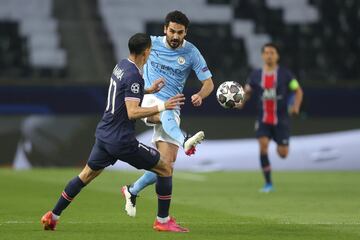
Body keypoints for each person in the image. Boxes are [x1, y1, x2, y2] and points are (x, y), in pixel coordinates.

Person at [41, 33, 190, 232]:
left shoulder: (121, 66)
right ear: (146, 52)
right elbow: (132, 112)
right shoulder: (134, 76)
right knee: (165, 168)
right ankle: (162, 221)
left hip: (104, 135)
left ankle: (53, 215)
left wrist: (148, 90)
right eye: (150, 51)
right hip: (122, 140)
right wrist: (162, 106)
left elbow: (126, 90)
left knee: (85, 175)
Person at [121, 10, 214, 218]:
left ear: (185, 33)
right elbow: (130, 60)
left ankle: (131, 190)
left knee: (166, 164)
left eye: (180, 32)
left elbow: (209, 83)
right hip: (150, 99)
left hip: (173, 106)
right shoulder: (150, 44)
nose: (175, 36)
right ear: (165, 29)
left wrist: (200, 94)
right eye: (172, 31)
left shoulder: (191, 52)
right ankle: (185, 139)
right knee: (166, 110)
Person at [236, 43, 303, 192]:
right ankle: (268, 183)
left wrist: (296, 107)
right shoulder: (255, 75)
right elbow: (248, 91)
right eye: (266, 53)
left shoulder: (286, 75)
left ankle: (279, 143)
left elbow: (298, 90)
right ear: (262, 56)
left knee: (283, 154)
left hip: (281, 119)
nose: (269, 55)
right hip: (263, 118)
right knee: (263, 146)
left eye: (272, 53)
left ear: (277, 56)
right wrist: (241, 102)